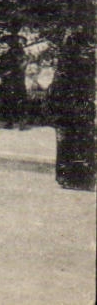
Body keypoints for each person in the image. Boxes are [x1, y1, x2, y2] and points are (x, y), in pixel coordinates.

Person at [47, 26, 94, 191]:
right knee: (80, 143)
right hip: (80, 107)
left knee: (67, 144)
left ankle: (66, 177)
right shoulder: (87, 59)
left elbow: (56, 87)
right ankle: (79, 178)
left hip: (68, 108)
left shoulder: (67, 62)